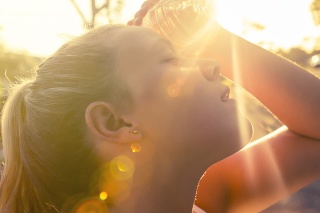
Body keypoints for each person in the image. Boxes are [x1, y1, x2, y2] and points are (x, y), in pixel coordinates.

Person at [0, 3, 319, 213]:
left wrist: (213, 39)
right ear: (112, 121)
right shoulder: (212, 197)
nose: (212, 65)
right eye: (170, 59)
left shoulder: (202, 198)